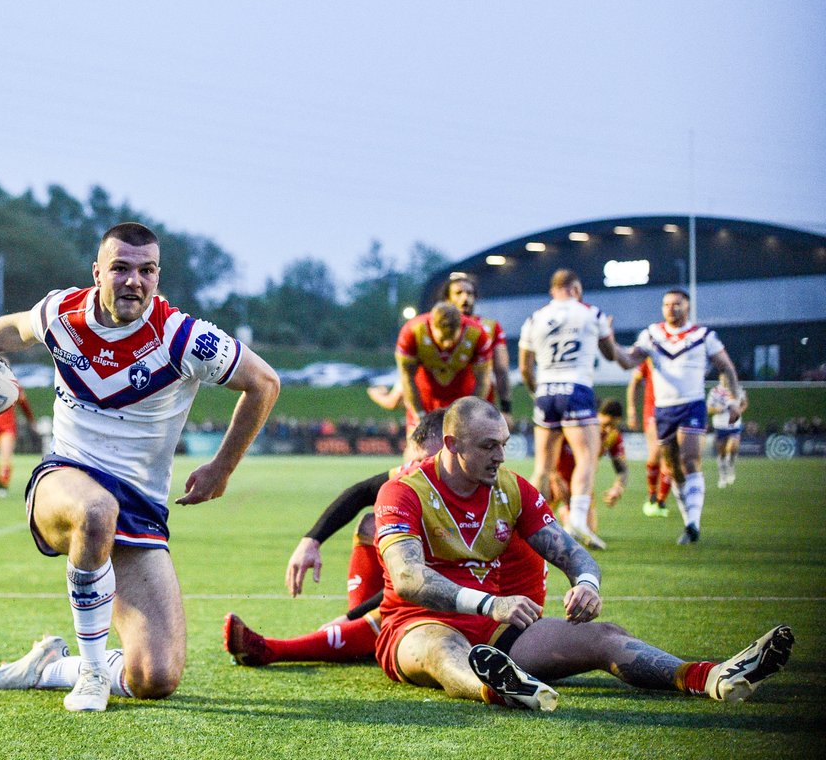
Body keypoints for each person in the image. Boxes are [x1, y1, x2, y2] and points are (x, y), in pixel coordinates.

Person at [0, 222, 280, 712]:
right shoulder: (61, 313)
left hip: (139, 509)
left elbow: (264, 382)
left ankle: (50, 666)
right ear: (97, 273)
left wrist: (222, 468)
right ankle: (91, 672)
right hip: (64, 480)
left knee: (155, 677)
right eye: (121, 268)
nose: (134, 280)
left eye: (146, 270)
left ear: (158, 276)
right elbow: (13, 328)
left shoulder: (183, 338)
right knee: (94, 510)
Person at [374, 396, 793, 710]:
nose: (500, 456)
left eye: (503, 443)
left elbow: (574, 554)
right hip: (415, 625)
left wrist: (587, 583)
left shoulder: (512, 488)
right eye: (488, 447)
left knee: (605, 637)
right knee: (442, 649)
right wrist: (490, 603)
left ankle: (712, 677)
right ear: (452, 443)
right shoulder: (403, 492)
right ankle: (500, 689)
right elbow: (409, 578)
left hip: (494, 627)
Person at [223, 411, 547, 667]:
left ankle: (277, 649)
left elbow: (425, 580)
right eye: (416, 463)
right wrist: (312, 540)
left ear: (452, 452)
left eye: (425, 464)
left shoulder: (482, 489)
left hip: (506, 606)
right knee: (373, 524)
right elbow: (361, 492)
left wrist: (353, 618)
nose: (419, 473)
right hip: (467, 594)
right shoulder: (429, 478)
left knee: (390, 617)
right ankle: (360, 637)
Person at [613, 289, 743, 544]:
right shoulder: (652, 334)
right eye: (666, 304)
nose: (671, 308)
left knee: (690, 459)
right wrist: (608, 342)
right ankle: (688, 522)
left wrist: (734, 400)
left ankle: (694, 521)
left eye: (677, 304)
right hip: (663, 409)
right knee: (671, 466)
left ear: (688, 307)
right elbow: (628, 362)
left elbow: (726, 367)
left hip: (692, 404)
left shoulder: (703, 336)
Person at [519, 269, 616, 550]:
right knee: (586, 457)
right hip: (576, 387)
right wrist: (607, 332)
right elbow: (610, 353)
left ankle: (527, 528)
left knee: (542, 467)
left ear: (553, 290)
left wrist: (536, 390)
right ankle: (577, 520)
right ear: (575, 288)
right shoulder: (590, 313)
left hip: (546, 390)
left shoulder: (535, 317)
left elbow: (525, 367)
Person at [396, 301, 492, 439]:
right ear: (432, 326)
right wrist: (419, 415)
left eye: (452, 339)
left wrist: (470, 415)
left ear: (461, 327)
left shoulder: (477, 334)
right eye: (443, 338)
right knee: (416, 450)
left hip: (461, 398)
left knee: (462, 451)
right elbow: (406, 377)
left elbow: (483, 381)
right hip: (424, 396)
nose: (447, 344)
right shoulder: (412, 332)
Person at [441, 272, 514, 420]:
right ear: (447, 299)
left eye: (470, 293)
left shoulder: (491, 328)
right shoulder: (434, 328)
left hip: (479, 410)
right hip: (439, 408)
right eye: (459, 293)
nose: (465, 298)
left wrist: (506, 408)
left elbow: (502, 370)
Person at [549, 399, 628, 533]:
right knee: (534, 527)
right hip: (558, 479)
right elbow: (549, 452)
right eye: (606, 424)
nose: (608, 430)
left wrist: (618, 487)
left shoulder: (613, 437)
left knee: (589, 530)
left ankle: (566, 513)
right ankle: (567, 515)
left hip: (583, 484)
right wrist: (554, 477)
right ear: (596, 416)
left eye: (613, 426)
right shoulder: (574, 428)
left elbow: (622, 469)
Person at [626, 359, 673, 517]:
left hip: (675, 410)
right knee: (654, 455)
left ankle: (661, 501)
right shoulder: (649, 358)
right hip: (653, 411)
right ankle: (652, 494)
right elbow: (635, 382)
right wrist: (632, 409)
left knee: (669, 459)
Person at [0, 389, 36, 498]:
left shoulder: (11, 385)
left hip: (7, 428)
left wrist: (31, 420)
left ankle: (3, 486)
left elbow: (23, 402)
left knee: (6, 460)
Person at [708, 382, 748, 488]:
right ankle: (722, 475)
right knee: (722, 453)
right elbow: (709, 409)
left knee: (732, 448)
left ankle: (731, 468)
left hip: (734, 425)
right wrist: (718, 409)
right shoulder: (715, 391)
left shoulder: (738, 388)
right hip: (720, 426)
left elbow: (744, 403)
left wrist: (739, 410)